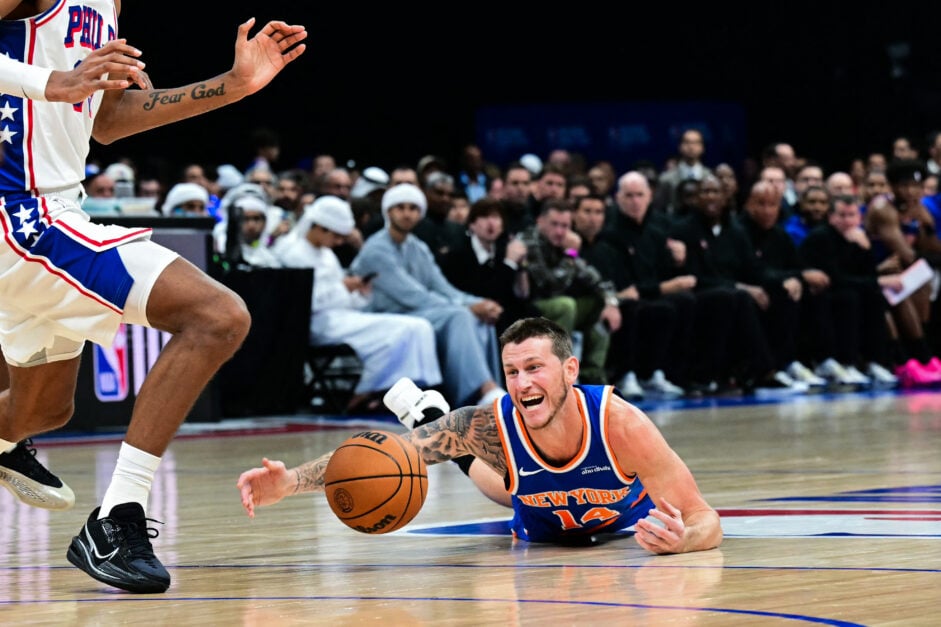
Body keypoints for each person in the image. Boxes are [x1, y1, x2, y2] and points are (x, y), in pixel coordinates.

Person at [0, 0, 306, 594]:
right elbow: (59, 87)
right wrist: (51, 81)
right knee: (218, 316)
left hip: (56, 209)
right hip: (20, 214)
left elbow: (107, 120)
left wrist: (232, 86)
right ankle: (117, 518)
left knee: (39, 412)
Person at [237, 317, 723, 555]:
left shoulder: (620, 423)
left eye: (535, 367)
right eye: (512, 371)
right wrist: (289, 482)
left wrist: (684, 541)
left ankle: (432, 414)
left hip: (616, 530)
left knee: (503, 481)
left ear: (569, 369)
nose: (522, 382)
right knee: (498, 478)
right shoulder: (489, 422)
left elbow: (706, 519)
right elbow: (381, 457)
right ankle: (435, 418)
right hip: (540, 525)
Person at [275, 196, 443, 412]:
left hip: (341, 316)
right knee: (399, 332)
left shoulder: (327, 256)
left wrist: (359, 292)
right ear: (319, 227)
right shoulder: (291, 252)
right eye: (335, 236)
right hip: (316, 323)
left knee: (418, 326)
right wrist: (344, 288)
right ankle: (366, 391)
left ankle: (413, 393)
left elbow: (342, 297)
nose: (338, 242)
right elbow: (305, 300)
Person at [350, 184, 505, 408]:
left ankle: (485, 390)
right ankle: (484, 390)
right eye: (400, 207)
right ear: (388, 212)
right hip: (386, 314)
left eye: (413, 208)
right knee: (459, 316)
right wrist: (467, 307)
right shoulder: (376, 249)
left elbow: (442, 287)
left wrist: (478, 303)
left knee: (482, 317)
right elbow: (412, 295)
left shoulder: (418, 247)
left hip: (417, 311)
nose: (406, 213)